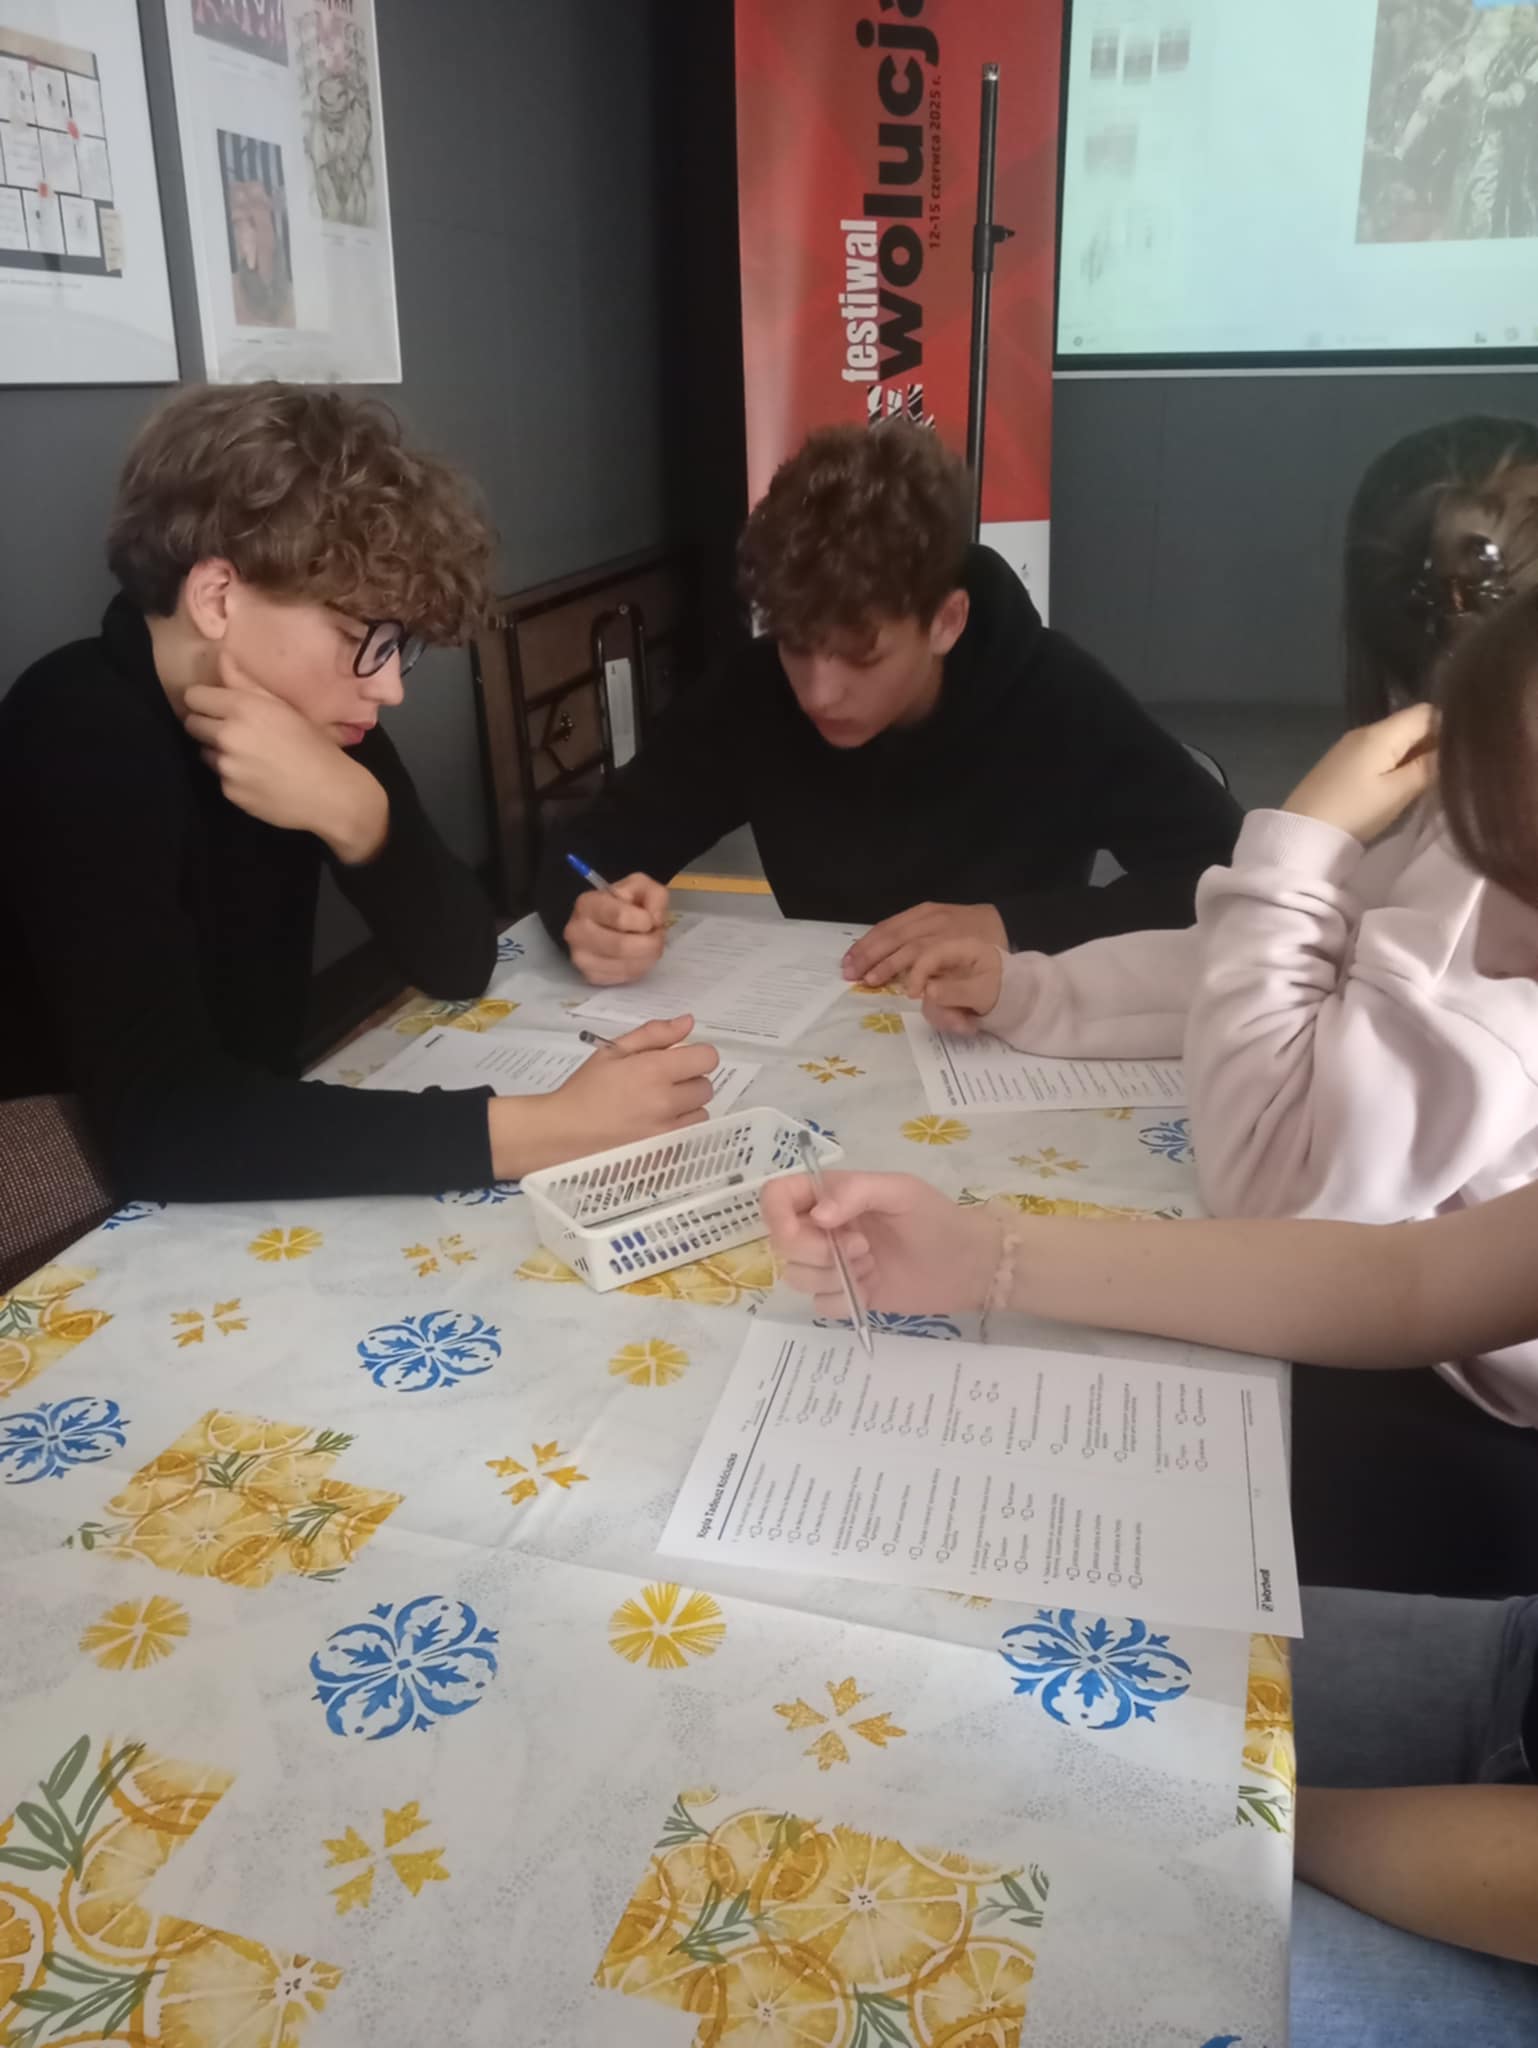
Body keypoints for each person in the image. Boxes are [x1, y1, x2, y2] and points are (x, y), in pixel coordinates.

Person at [761, 1167, 1538, 2047]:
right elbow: (1411, 1281)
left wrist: (1225, 1807)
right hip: (1518, 1675)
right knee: (945, 1674)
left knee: (907, 1935)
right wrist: (980, 1257)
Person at [898, 434, 1538, 1429]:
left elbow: (1282, 1194)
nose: (1498, 959)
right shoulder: (1463, 829)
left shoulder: (1474, 890)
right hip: (1399, 1305)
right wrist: (1035, 990)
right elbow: (1244, 967)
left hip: (1450, 1397)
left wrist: (1296, 848)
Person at [0, 383, 717, 1204]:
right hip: (68, 1195)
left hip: (244, 1142)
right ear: (218, 597)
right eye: (360, 638)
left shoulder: (316, 714)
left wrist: (359, 816)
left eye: (397, 646)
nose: (389, 687)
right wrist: (544, 1129)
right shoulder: (75, 733)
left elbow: (460, 960)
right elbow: (168, 1130)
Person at [535, 420, 1241, 991]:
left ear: (946, 622)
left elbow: (1236, 881)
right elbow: (581, 852)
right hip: (824, 1023)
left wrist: (1012, 924)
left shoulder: (1053, 697)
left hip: (1008, 1026)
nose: (819, 691)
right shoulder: (753, 694)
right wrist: (587, 914)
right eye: (795, 645)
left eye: (862, 656)